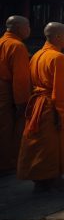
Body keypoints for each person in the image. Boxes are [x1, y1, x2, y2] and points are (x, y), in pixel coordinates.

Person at [17, 22, 64, 190]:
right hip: (51, 105)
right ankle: (52, 177)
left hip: (37, 102)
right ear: (58, 37)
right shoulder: (58, 58)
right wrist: (63, 112)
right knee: (52, 143)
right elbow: (62, 89)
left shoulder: (37, 55)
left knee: (39, 142)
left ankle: (39, 176)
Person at [0, 16, 31, 172]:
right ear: (18, 28)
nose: (29, 30)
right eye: (27, 26)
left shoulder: (2, 42)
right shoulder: (17, 46)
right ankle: (7, 163)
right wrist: (22, 102)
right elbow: (20, 78)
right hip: (7, 91)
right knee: (7, 128)